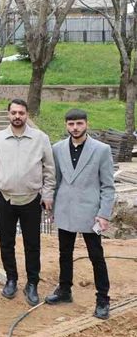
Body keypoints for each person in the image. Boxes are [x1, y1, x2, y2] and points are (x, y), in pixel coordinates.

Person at [45, 109, 115, 320]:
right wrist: (53, 207)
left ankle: (103, 299)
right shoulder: (57, 149)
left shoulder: (101, 150)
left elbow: (108, 186)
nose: (75, 128)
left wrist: (104, 214)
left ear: (86, 124)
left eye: (79, 124)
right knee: (64, 253)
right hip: (65, 209)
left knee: (96, 256)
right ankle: (65, 290)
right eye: (71, 124)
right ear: (66, 126)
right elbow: (55, 180)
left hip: (90, 211)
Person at [0, 98, 55, 306]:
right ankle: (11, 279)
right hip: (5, 199)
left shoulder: (40, 138)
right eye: (14, 113)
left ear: (27, 115)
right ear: (9, 114)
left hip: (31, 199)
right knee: (6, 242)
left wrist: (48, 194)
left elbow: (49, 170)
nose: (17, 116)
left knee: (32, 244)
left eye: (21, 113)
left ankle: (32, 283)